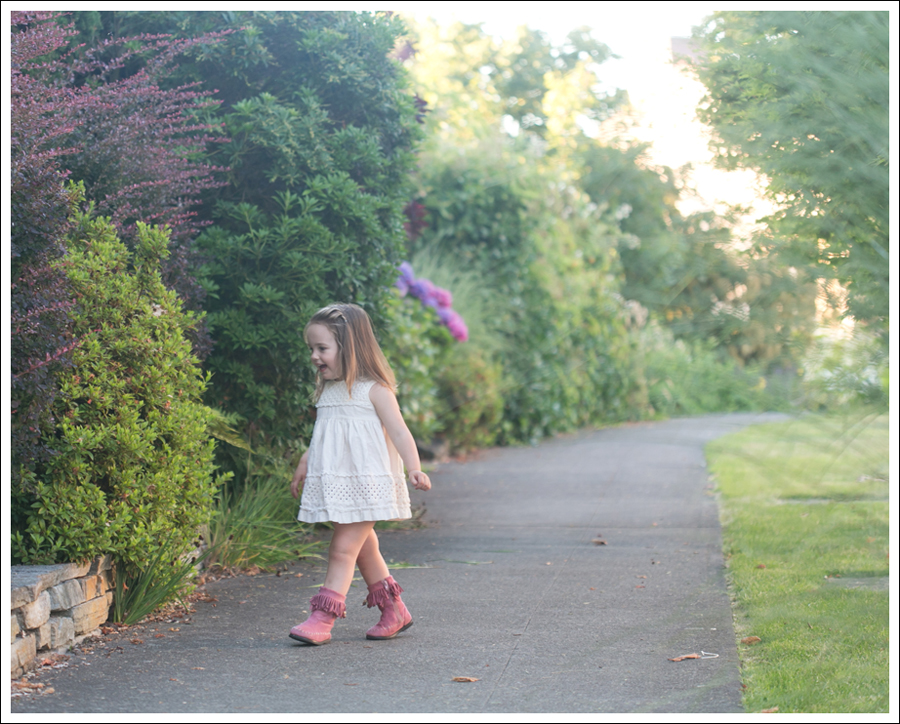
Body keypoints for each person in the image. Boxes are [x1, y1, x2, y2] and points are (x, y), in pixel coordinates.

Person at [288, 303, 431, 645]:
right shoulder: (328, 391)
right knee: (364, 548)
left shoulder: (375, 390)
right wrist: (306, 462)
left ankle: (323, 617)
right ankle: (394, 609)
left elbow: (399, 432)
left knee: (342, 549)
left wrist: (414, 468)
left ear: (349, 347)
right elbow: (323, 435)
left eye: (322, 348)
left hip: (368, 485)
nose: (314, 356)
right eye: (312, 348)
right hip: (341, 483)